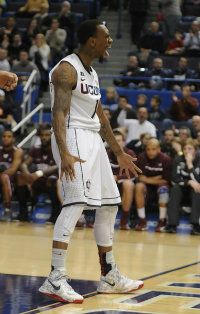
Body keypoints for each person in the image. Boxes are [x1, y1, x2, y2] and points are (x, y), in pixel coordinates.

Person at [39, 19, 144, 304]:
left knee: (110, 203)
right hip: (72, 136)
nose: (110, 41)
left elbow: (100, 115)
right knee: (76, 203)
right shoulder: (65, 69)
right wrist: (64, 152)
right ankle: (55, 277)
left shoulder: (92, 73)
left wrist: (118, 151)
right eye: (106, 36)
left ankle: (109, 276)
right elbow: (58, 114)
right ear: (91, 41)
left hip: (92, 139)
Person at [16, 124, 61, 223]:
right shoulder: (35, 149)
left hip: (52, 180)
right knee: (20, 178)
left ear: (52, 136)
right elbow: (24, 164)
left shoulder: (57, 149)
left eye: (46, 135)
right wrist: (28, 176)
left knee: (53, 180)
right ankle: (23, 215)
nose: (44, 137)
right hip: (37, 180)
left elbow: (58, 165)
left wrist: (39, 173)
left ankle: (54, 216)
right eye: (42, 135)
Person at [163, 139, 200, 235]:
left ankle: (196, 224)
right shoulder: (178, 159)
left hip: (195, 189)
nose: (187, 151)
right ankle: (172, 224)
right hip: (182, 187)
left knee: (197, 189)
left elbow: (198, 181)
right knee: (175, 189)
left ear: (195, 150)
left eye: (190, 149)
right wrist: (189, 182)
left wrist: (190, 165)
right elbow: (174, 179)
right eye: (185, 148)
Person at [135, 138, 172, 232]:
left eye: (153, 149)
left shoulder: (166, 159)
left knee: (163, 189)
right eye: (148, 149)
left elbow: (166, 181)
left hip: (160, 187)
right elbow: (139, 178)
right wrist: (156, 179)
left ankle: (162, 220)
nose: (150, 152)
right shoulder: (141, 157)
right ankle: (142, 220)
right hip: (146, 188)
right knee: (139, 186)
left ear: (159, 149)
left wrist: (147, 179)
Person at [107, 130, 136, 230]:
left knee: (128, 184)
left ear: (124, 142)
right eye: (114, 141)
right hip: (109, 182)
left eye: (119, 141)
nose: (117, 143)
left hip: (122, 182)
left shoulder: (129, 153)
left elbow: (133, 173)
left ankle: (124, 219)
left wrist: (117, 178)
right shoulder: (106, 153)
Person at [0, 130, 23, 221]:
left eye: (9, 136)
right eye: (4, 136)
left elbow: (13, 170)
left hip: (12, 180)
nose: (6, 138)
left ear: (13, 139)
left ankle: (7, 209)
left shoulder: (17, 151)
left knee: (4, 177)